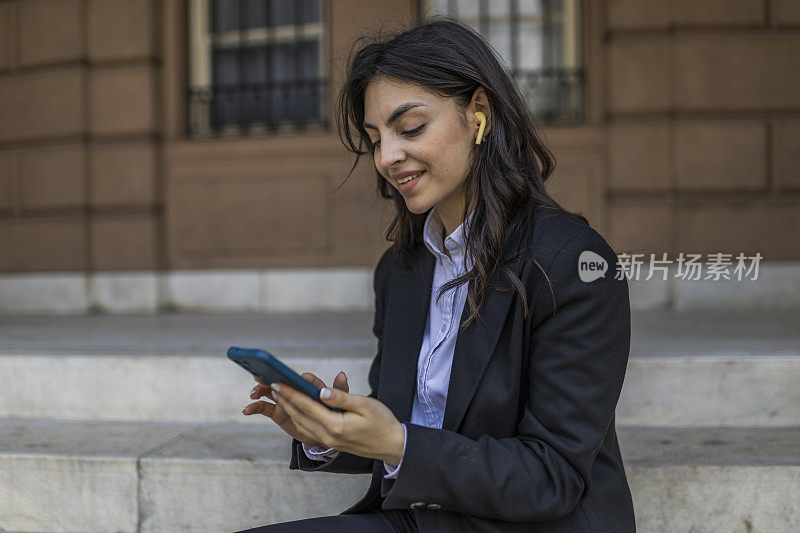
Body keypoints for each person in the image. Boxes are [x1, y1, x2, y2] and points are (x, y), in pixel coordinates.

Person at [238, 17, 635, 533]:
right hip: (420, 519)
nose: (386, 157)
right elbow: (415, 430)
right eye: (374, 138)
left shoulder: (573, 262)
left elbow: (552, 475)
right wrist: (329, 435)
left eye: (410, 129)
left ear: (478, 114)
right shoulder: (401, 270)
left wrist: (397, 442)